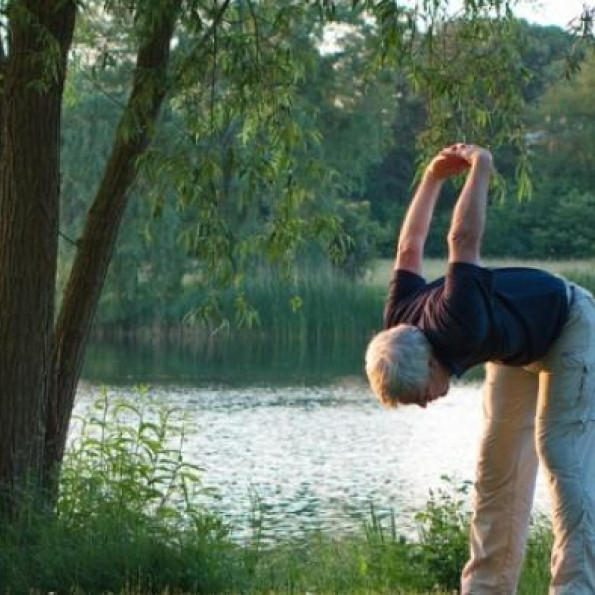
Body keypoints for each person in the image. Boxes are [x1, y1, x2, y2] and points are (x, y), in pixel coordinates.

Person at [365, 143, 595, 594]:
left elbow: (462, 240)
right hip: (519, 348)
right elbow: (409, 246)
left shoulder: (459, 318)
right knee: (496, 467)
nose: (428, 403)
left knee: (560, 453)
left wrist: (481, 167)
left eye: (422, 393)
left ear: (430, 359)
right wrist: (431, 178)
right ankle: (485, 588)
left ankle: (575, 587)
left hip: (569, 324)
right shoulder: (398, 323)